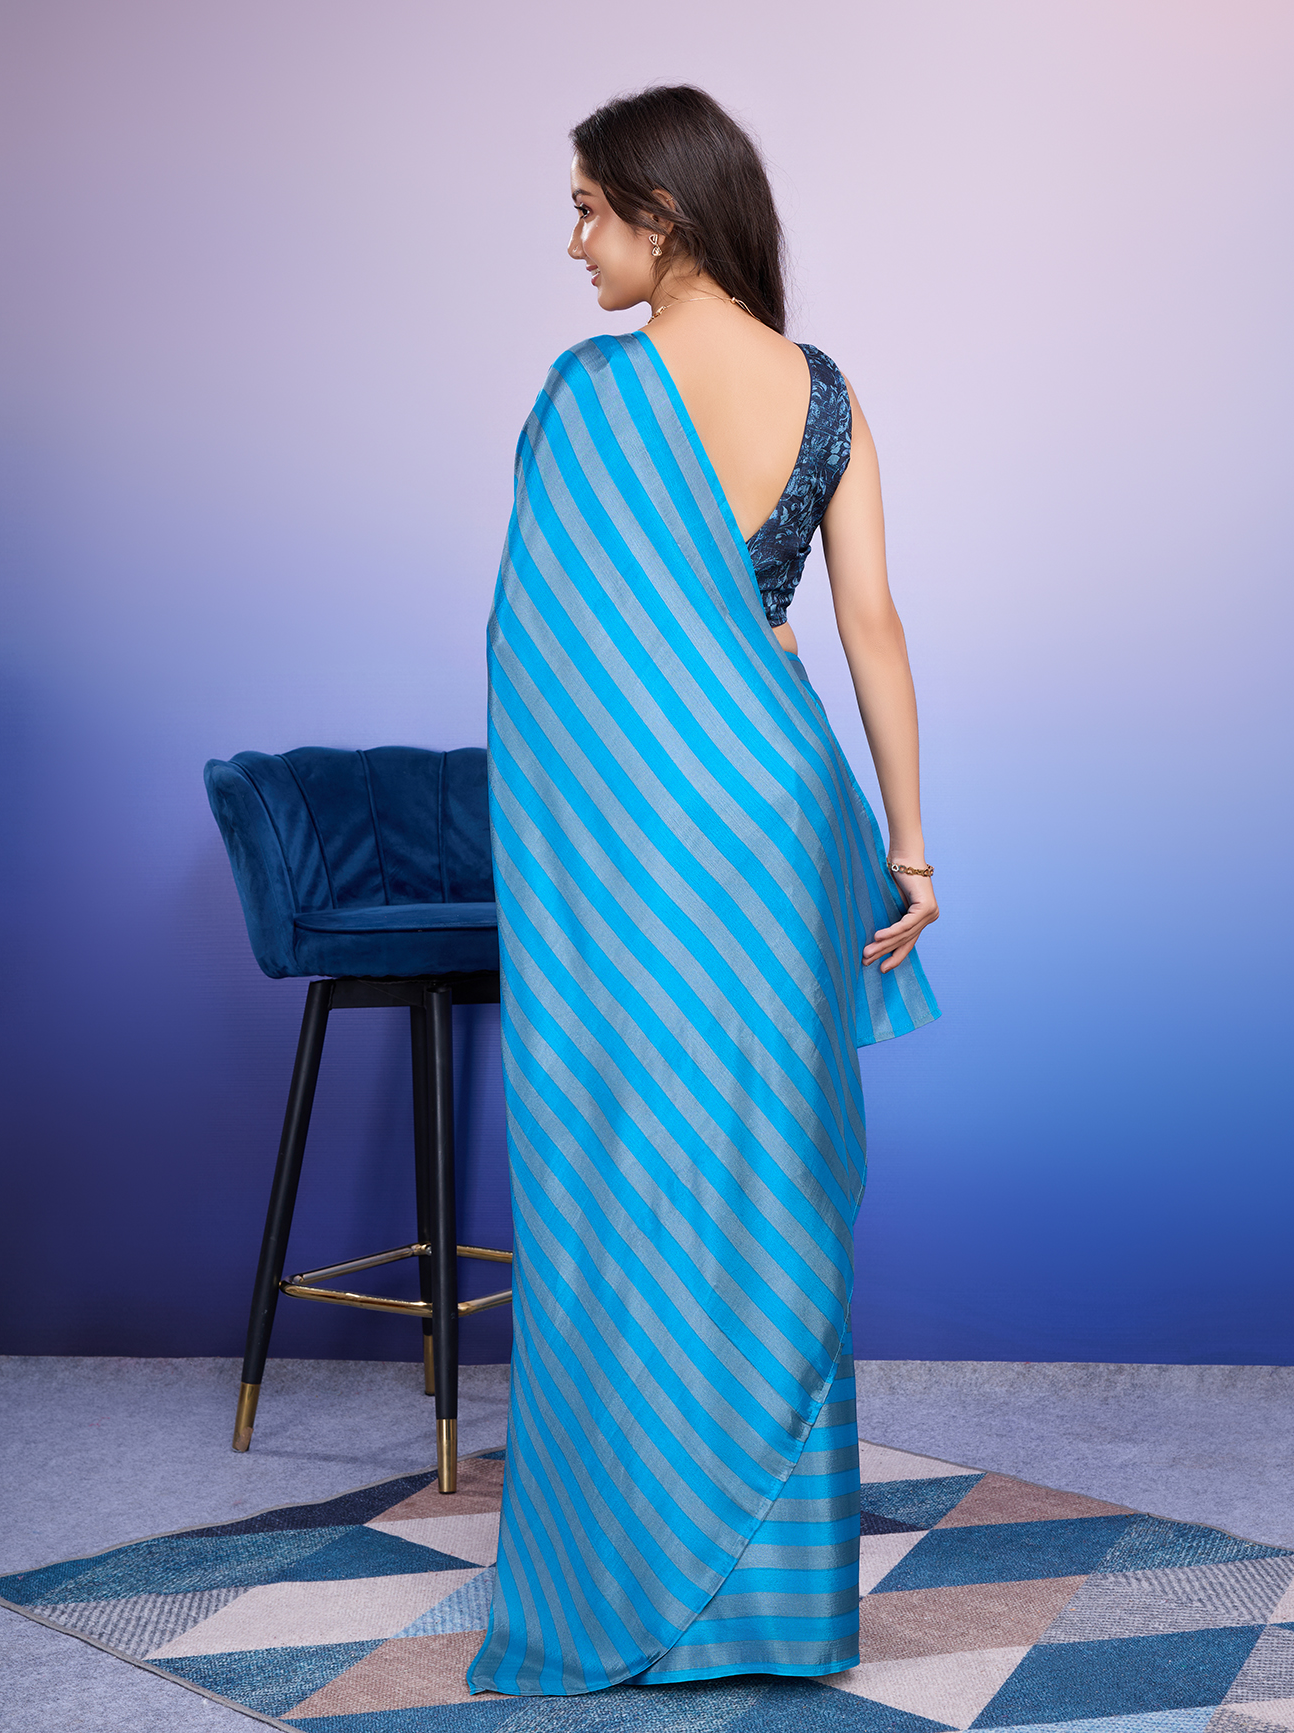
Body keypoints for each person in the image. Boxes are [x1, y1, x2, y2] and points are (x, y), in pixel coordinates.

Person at [468, 84, 940, 1697]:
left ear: (661, 216)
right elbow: (871, 628)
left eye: (589, 209)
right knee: (765, 1173)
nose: (575, 243)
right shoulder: (826, 391)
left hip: (642, 839)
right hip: (781, 816)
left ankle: (630, 1561)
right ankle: (778, 1607)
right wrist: (912, 847)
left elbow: (542, 648)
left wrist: (681, 665)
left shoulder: (593, 394)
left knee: (622, 1167)